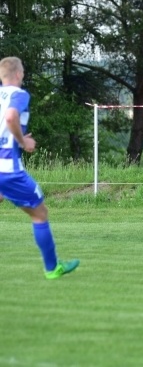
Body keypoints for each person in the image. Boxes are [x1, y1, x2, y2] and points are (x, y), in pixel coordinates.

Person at [0, 56, 80, 279]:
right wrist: (23, 142)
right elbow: (10, 117)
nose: (23, 75)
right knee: (40, 214)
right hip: (7, 169)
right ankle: (52, 268)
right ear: (17, 74)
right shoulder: (19, 95)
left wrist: (17, 138)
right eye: (23, 72)